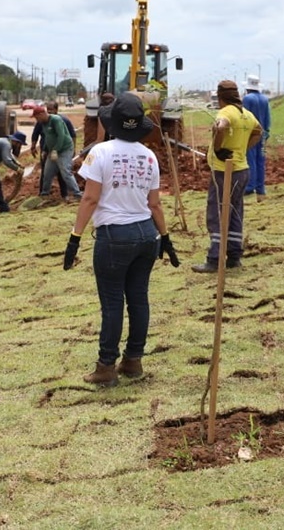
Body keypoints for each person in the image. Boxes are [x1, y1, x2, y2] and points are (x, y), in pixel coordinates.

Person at [63, 92, 180, 387]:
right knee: (138, 298)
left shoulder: (100, 153)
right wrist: (165, 237)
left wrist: (75, 238)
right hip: (146, 235)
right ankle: (133, 360)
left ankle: (106, 367)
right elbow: (155, 204)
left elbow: (89, 198)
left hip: (115, 236)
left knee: (113, 302)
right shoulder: (149, 155)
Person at [192, 80, 262, 273]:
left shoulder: (226, 112)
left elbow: (220, 127)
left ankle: (214, 259)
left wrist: (219, 149)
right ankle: (234, 256)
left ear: (221, 96)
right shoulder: (246, 114)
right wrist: (242, 149)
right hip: (242, 170)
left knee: (217, 213)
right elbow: (259, 132)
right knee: (235, 213)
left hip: (225, 172)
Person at [30, 106, 82, 202]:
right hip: (53, 150)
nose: (36, 120)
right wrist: (45, 150)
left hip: (64, 149)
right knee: (47, 173)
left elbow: (61, 136)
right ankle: (45, 194)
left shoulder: (56, 120)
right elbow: (48, 137)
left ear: (41, 114)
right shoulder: (43, 123)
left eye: (37, 117)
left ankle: (77, 194)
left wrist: (56, 150)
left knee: (65, 172)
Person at [242, 75, 271, 200]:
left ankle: (249, 187)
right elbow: (268, 117)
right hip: (263, 134)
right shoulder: (265, 99)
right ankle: (260, 188)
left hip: (251, 134)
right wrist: (267, 131)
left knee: (251, 159)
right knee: (261, 160)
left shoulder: (247, 99)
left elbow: (244, 117)